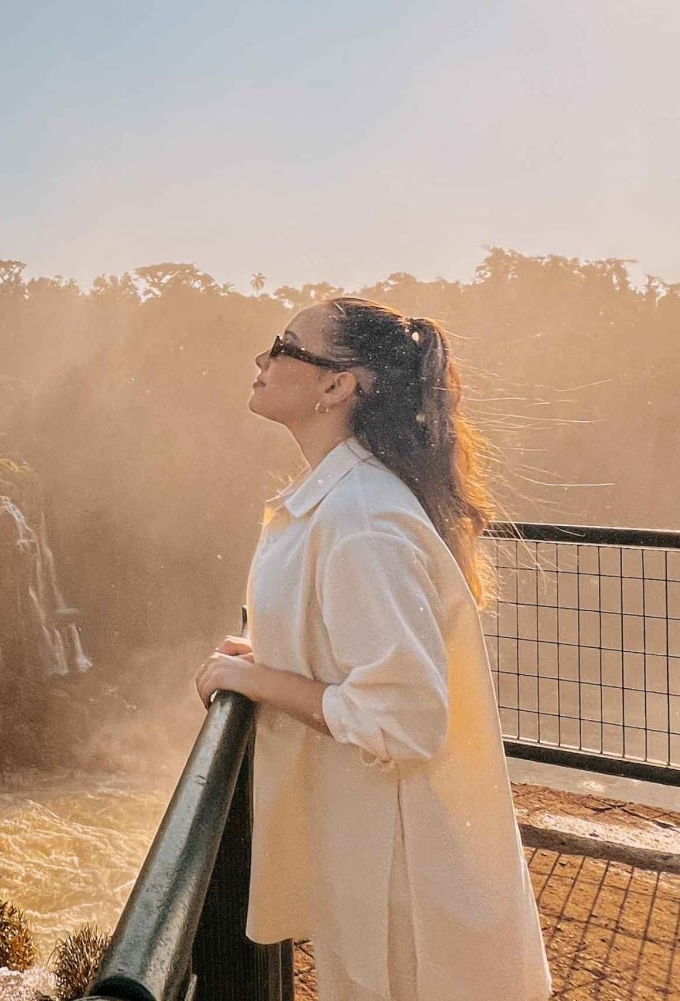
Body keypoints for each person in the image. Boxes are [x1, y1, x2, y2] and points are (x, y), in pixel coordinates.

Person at [193, 298, 551, 1001]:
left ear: (337, 384)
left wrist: (261, 679)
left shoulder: (362, 518)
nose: (262, 360)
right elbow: (353, 644)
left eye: (284, 345)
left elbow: (406, 718)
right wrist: (272, 657)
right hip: (378, 855)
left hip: (406, 883)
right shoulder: (345, 499)